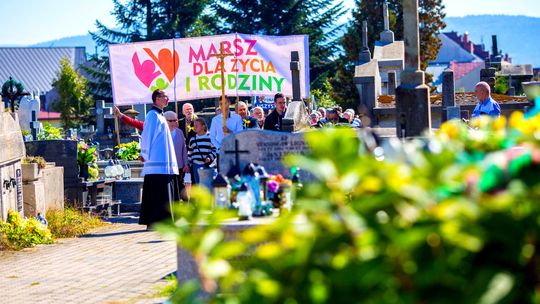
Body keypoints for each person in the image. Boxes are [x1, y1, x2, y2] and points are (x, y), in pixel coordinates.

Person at [139, 89, 179, 229]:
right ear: (157, 99)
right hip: (156, 164)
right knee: (157, 194)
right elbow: (147, 135)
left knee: (163, 193)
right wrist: (144, 154)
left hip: (164, 164)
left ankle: (164, 222)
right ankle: (154, 222)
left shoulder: (161, 116)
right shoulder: (152, 115)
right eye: (164, 97)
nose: (167, 99)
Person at [164, 111, 190, 201]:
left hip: (179, 165)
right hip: (166, 167)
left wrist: (186, 164)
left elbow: (184, 149)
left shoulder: (179, 132)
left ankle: (187, 205)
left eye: (176, 120)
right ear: (165, 121)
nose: (176, 122)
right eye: (172, 120)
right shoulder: (161, 134)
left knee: (180, 186)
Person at [188, 118, 217, 184]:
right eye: (194, 125)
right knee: (198, 185)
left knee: (207, 185)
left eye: (196, 125)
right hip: (195, 165)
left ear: (203, 126)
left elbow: (215, 150)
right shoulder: (192, 139)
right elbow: (190, 153)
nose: (194, 127)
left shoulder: (210, 137)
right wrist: (188, 165)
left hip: (206, 165)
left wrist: (209, 157)